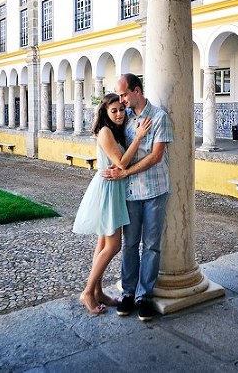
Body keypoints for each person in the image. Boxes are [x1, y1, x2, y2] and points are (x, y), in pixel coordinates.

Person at [72, 93, 152, 315]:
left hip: (113, 188)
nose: (119, 114)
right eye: (113, 110)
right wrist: (139, 137)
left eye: (121, 109)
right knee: (114, 245)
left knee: (102, 243)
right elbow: (122, 162)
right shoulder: (105, 132)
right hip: (108, 189)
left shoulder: (113, 130)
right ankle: (87, 292)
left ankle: (98, 292)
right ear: (105, 113)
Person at [103, 73, 173, 322]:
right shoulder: (125, 120)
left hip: (155, 190)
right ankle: (128, 293)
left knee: (152, 245)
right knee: (130, 244)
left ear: (137, 91)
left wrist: (124, 172)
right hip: (132, 192)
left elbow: (155, 157)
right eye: (119, 96)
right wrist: (113, 168)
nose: (121, 100)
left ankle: (144, 296)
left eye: (123, 94)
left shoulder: (159, 118)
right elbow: (115, 148)